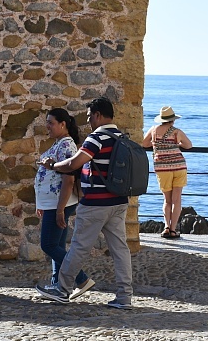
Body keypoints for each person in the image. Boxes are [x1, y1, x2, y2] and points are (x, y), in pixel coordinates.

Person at [34, 97, 134, 309]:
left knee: (78, 247)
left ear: (98, 115)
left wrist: (52, 165)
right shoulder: (120, 137)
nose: (88, 122)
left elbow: (73, 164)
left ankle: (62, 289)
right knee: (120, 249)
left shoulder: (96, 138)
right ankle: (125, 297)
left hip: (96, 203)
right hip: (119, 202)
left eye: (89, 117)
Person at [34, 108, 94, 296]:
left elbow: (68, 179)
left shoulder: (67, 145)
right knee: (57, 246)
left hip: (59, 204)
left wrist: (59, 209)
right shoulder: (60, 143)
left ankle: (81, 279)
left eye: (51, 122)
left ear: (63, 124)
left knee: (49, 245)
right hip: (52, 204)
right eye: (47, 122)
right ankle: (57, 284)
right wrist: (41, 203)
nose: (47, 126)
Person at [142, 106, 193, 239]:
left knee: (167, 200)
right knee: (176, 200)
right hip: (178, 167)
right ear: (172, 120)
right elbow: (189, 145)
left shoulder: (153, 130)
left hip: (162, 168)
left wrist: (157, 145)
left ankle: (166, 226)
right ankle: (173, 229)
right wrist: (177, 145)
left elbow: (144, 143)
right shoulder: (176, 132)